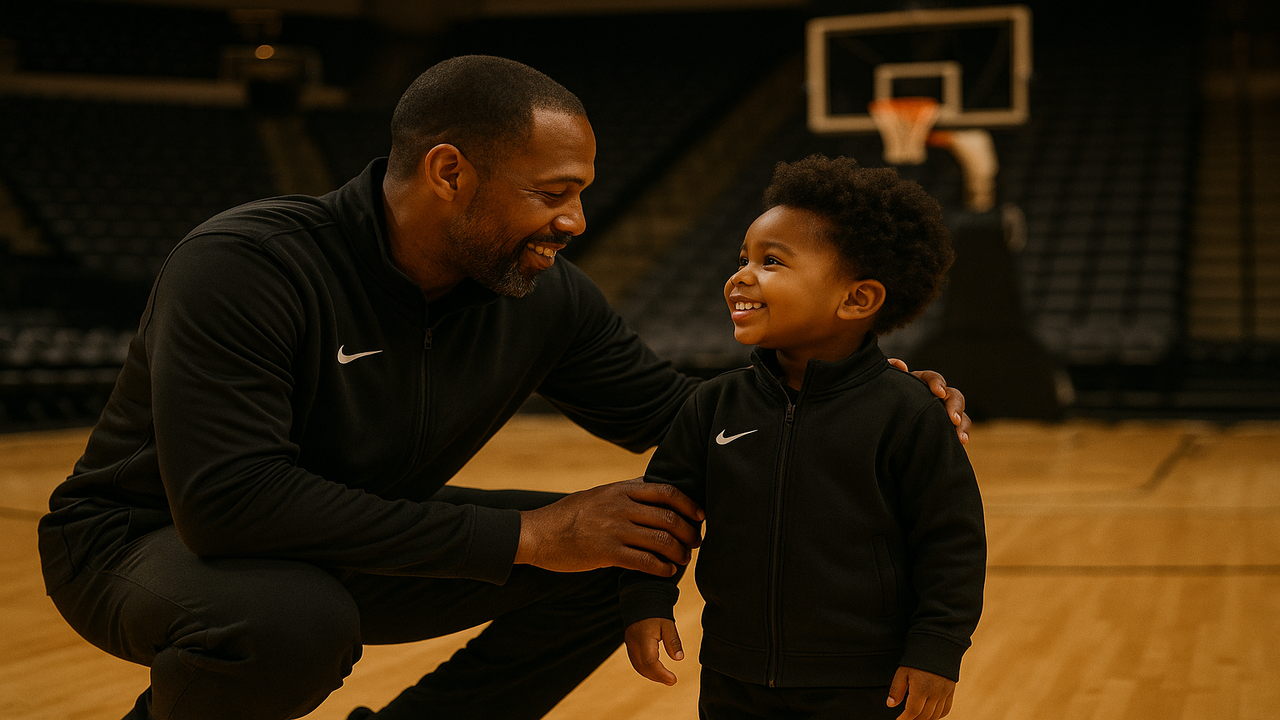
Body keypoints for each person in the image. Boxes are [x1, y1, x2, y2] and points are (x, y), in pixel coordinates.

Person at [36, 57, 970, 720]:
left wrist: (852, 384)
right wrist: (530, 535)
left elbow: (693, 418)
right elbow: (228, 505)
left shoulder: (540, 294)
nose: (576, 220)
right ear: (450, 172)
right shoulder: (247, 264)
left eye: (581, 193)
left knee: (623, 543)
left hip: (350, 536)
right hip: (146, 541)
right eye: (553, 193)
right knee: (287, 621)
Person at [620, 155, 986, 720]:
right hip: (733, 671)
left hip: (863, 680)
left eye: (771, 261)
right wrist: (646, 601)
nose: (740, 276)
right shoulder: (712, 403)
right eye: (742, 258)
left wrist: (937, 650)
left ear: (857, 299)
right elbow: (660, 513)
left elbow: (951, 544)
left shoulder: (909, 413)